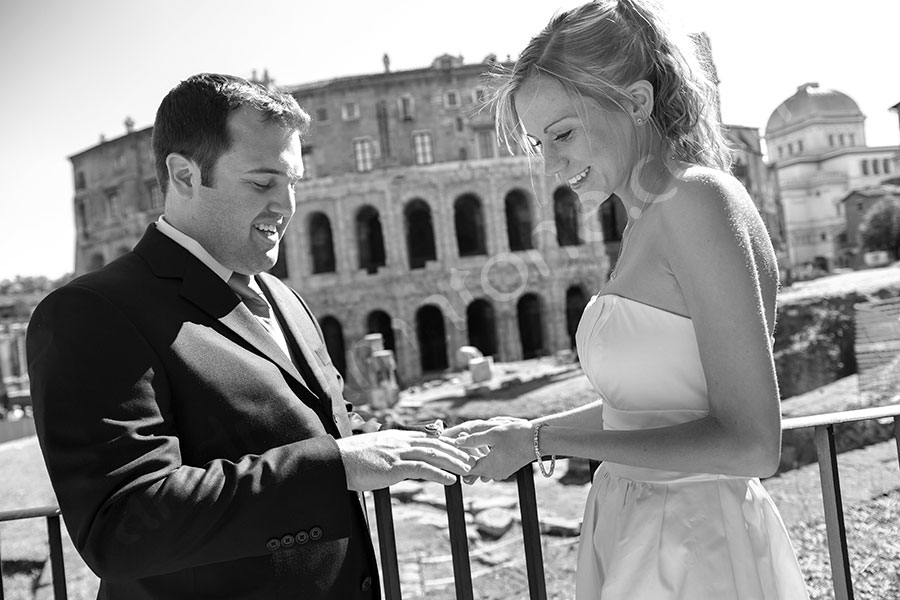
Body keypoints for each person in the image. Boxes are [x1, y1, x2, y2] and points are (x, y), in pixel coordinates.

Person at [27, 73, 474, 600]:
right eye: (263, 183)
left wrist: (414, 440)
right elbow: (121, 523)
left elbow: (310, 423)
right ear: (184, 175)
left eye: (294, 183)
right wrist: (339, 467)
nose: (286, 206)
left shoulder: (284, 298)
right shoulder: (91, 312)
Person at [446, 1, 809, 598]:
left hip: (690, 546)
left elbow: (750, 442)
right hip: (645, 526)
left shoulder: (696, 202)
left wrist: (542, 443)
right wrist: (526, 428)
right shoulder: (650, 219)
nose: (552, 165)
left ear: (637, 102)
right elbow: (652, 410)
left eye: (562, 133)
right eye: (540, 145)